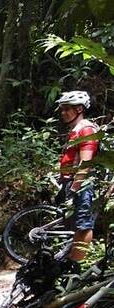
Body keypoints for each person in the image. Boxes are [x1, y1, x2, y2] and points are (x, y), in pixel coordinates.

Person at [55, 90, 99, 262]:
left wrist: (75, 188)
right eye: (62, 109)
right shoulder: (76, 130)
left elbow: (85, 163)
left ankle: (76, 264)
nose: (63, 113)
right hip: (70, 181)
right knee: (74, 225)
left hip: (81, 185)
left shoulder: (86, 129)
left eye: (67, 109)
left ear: (79, 109)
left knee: (83, 226)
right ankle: (71, 260)